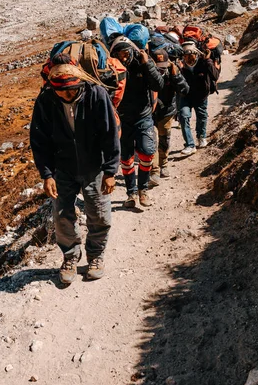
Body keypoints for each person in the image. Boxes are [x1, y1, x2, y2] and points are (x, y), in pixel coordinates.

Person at [30, 63, 120, 284]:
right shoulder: (46, 100)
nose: (66, 95)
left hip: (94, 166)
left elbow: (110, 134)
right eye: (61, 91)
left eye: (71, 91)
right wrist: (47, 174)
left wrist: (110, 170)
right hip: (63, 168)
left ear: (80, 84)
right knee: (61, 216)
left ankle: (96, 255)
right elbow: (39, 140)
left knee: (99, 213)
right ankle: (70, 256)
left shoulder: (96, 95)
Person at [109, 36, 163, 208]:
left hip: (143, 115)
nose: (124, 58)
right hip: (122, 118)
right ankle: (131, 193)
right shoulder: (112, 68)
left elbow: (158, 84)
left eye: (126, 54)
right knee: (126, 157)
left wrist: (147, 64)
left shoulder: (142, 63)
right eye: (120, 55)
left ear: (132, 51)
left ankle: (143, 190)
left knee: (147, 151)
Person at [149, 48, 189, 183]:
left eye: (163, 67)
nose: (160, 70)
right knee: (152, 142)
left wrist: (176, 76)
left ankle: (163, 164)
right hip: (150, 113)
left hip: (166, 112)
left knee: (164, 140)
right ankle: (154, 170)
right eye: (157, 67)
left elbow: (184, 90)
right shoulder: (148, 72)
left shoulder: (172, 71)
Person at [178, 42, 220, 156]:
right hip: (185, 96)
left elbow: (215, 76)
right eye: (185, 56)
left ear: (195, 54)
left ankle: (201, 136)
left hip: (201, 96)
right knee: (183, 116)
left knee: (201, 116)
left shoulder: (203, 63)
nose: (187, 58)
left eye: (190, 56)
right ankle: (190, 145)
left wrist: (208, 61)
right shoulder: (180, 65)